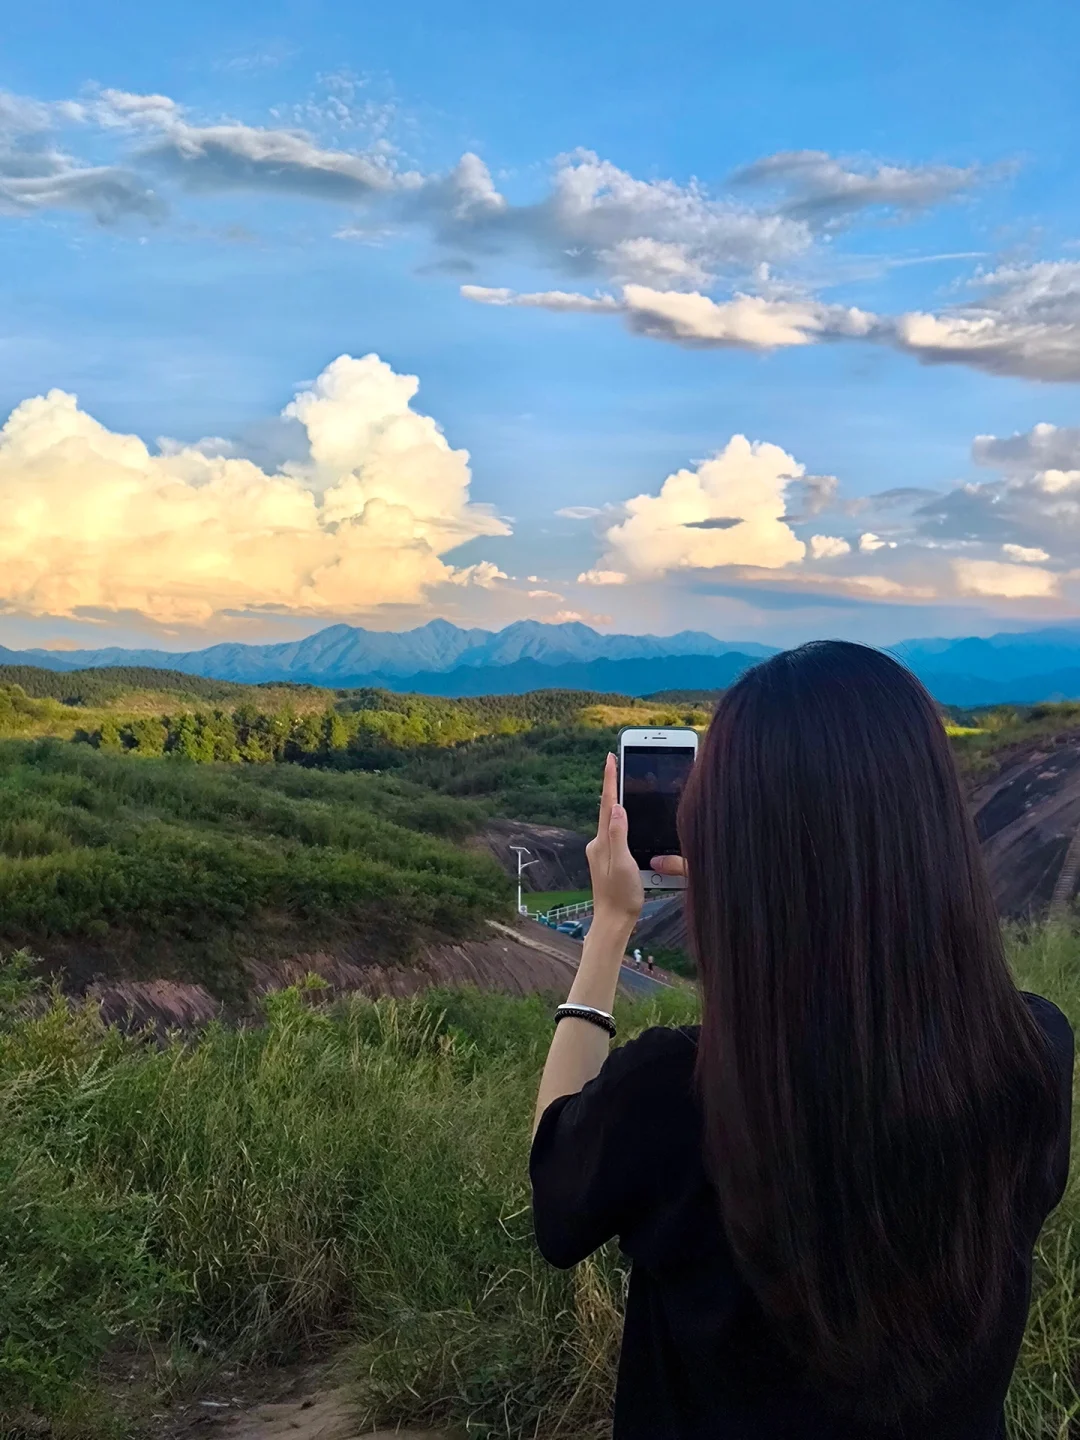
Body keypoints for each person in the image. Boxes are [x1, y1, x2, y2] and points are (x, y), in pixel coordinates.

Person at [529, 642, 1073, 1440]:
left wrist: (610, 927)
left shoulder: (675, 1098)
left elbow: (557, 1195)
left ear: (733, 843)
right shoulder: (1031, 1052)